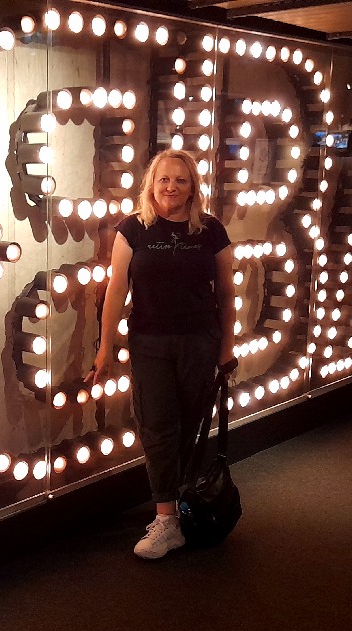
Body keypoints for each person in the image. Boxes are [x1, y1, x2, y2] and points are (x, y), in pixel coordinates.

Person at [85, 149, 236, 559]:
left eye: (180, 180)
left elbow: (226, 293)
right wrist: (104, 348)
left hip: (199, 342)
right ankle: (166, 519)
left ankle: (181, 501)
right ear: (151, 185)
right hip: (149, 343)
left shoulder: (211, 231)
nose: (171, 187)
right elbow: (116, 290)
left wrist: (227, 348)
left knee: (188, 424)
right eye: (163, 179)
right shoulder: (132, 229)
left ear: (193, 187)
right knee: (156, 426)